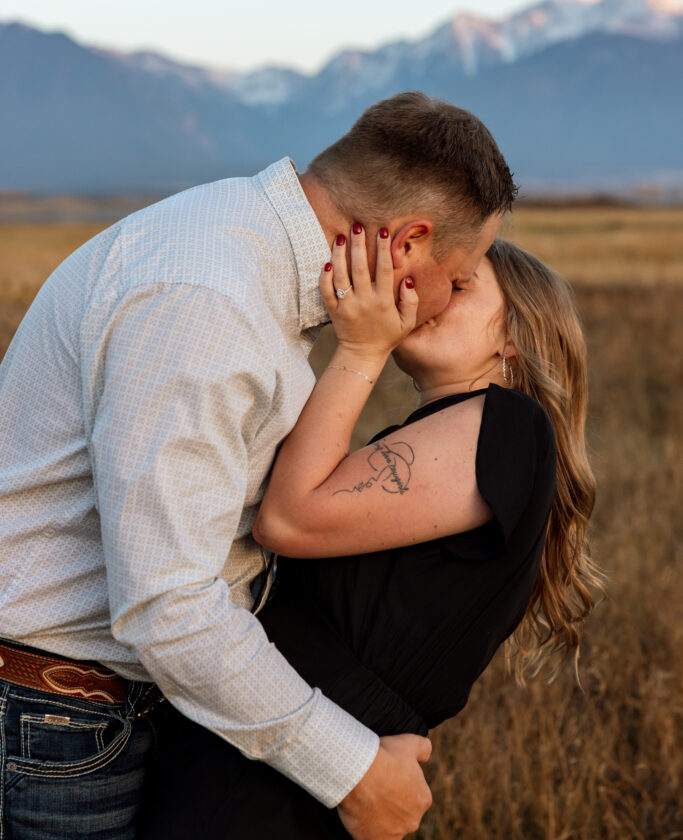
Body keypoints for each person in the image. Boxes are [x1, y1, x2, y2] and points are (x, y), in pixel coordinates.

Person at [0, 93, 516, 840]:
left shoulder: (238, 249)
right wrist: (354, 771)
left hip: (89, 714)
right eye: (460, 273)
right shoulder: (210, 302)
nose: (445, 299)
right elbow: (166, 606)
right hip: (56, 722)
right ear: (407, 243)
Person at [139, 232, 601, 839]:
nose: (423, 294)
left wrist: (360, 348)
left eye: (456, 285)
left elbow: (287, 518)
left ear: (515, 336)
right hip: (295, 751)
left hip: (293, 776)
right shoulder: (450, 435)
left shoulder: (510, 427)